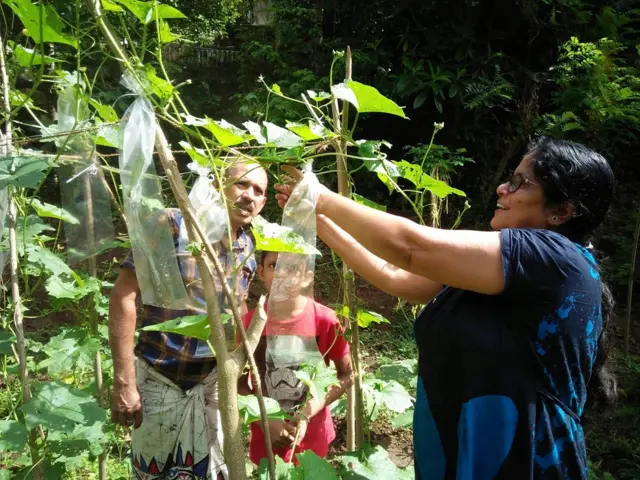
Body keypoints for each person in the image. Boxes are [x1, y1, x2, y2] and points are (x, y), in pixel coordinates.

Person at [275, 137, 617, 479]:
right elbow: (396, 277)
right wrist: (319, 217)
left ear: (563, 211)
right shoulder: (509, 269)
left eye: (518, 182)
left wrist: (319, 197)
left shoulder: (554, 258)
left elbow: (411, 247)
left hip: (522, 458)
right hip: (473, 446)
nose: (502, 188)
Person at [109, 160, 268, 479]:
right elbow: (123, 295)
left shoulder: (248, 244)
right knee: (154, 471)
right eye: (242, 184)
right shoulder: (171, 224)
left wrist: (239, 368)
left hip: (212, 383)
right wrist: (124, 381)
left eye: (258, 191)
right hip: (159, 378)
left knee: (214, 472)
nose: (250, 195)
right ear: (218, 184)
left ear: (263, 203)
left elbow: (237, 306)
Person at [240, 250, 353, 466]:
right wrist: (266, 419)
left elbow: (346, 375)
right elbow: (238, 385)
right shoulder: (248, 324)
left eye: (292, 267)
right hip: (266, 438)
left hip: (313, 437)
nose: (283, 274)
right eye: (274, 265)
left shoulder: (325, 320)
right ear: (261, 272)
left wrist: (307, 413)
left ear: (307, 276)